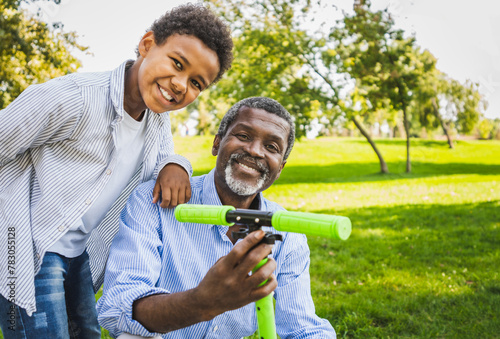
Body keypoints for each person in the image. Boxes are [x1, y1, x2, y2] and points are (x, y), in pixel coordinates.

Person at [0, 4, 233, 338]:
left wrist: (177, 164)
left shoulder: (156, 121)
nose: (181, 84)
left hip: (77, 253)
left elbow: (163, 161)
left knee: (88, 333)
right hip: (23, 247)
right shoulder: (73, 99)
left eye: (196, 82)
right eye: (177, 64)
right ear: (147, 44)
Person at [97, 97, 336, 338]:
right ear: (216, 143)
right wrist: (202, 303)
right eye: (243, 136)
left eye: (271, 147)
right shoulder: (156, 199)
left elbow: (302, 327)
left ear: (280, 168)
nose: (254, 151)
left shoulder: (288, 232)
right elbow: (118, 305)